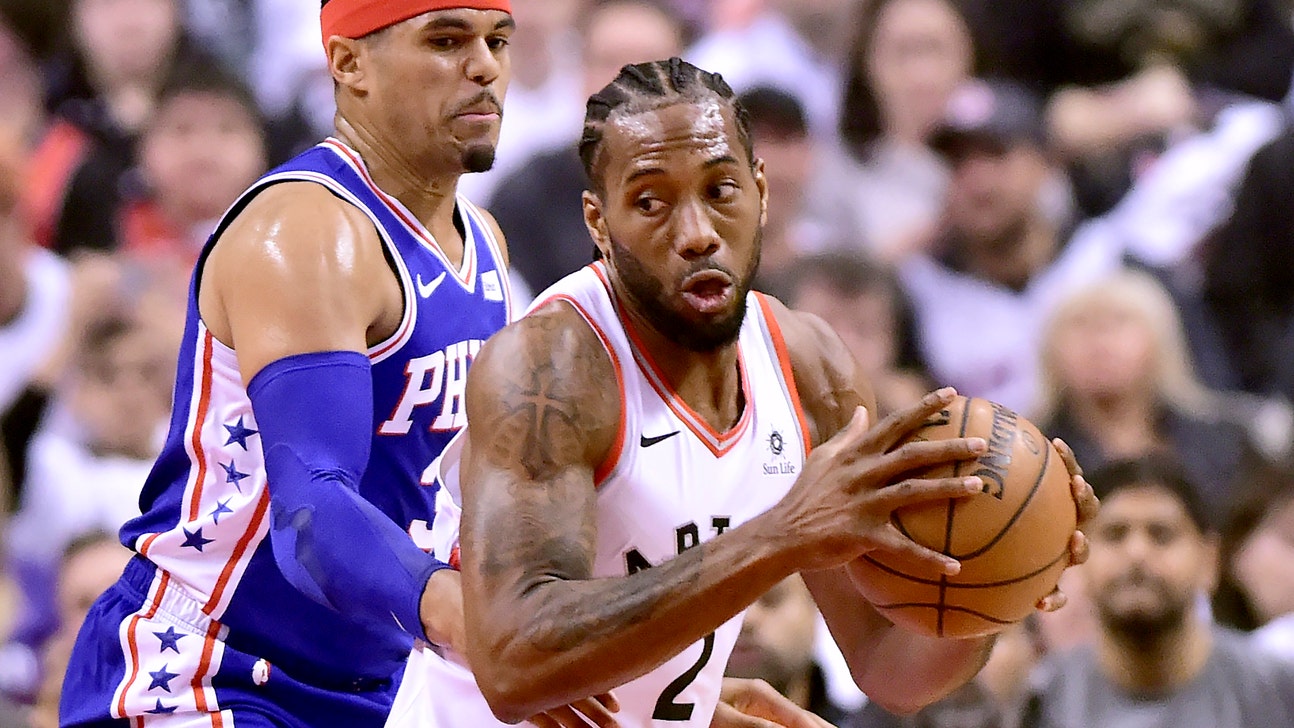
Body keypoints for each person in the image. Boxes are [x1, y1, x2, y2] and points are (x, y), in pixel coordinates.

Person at [389, 57, 1097, 728]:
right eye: (650, 202)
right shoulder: (551, 368)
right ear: (597, 224)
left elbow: (888, 664)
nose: (696, 233)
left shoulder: (811, 367)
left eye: (720, 190)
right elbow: (516, 665)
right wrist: (781, 535)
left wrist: (996, 584)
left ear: (761, 188)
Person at [58, 1, 520, 725]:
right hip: (210, 669)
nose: (485, 65)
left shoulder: (485, 241)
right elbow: (313, 521)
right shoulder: (308, 227)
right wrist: (495, 635)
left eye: (497, 40)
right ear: (348, 65)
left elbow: (470, 501)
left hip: (377, 681)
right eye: (446, 39)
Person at [1030, 455, 1294, 727]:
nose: (1137, 554)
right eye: (1115, 534)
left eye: (1161, 534)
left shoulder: (1277, 689)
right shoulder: (1042, 697)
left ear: (1209, 560)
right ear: (1079, 555)